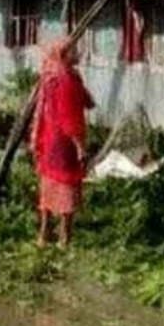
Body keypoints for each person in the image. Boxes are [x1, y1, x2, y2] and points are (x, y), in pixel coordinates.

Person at [31, 37, 94, 248]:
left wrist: (81, 87)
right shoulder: (66, 80)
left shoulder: (51, 75)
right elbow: (70, 118)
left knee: (48, 184)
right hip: (64, 141)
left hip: (48, 139)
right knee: (67, 185)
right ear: (64, 56)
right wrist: (80, 147)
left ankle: (43, 235)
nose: (78, 52)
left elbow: (87, 101)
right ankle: (64, 238)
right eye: (74, 50)